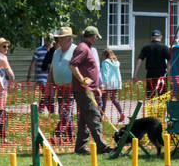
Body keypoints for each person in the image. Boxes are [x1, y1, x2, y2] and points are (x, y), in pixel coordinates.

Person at [69, 26, 111, 155]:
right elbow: (72, 65)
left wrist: (96, 87)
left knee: (85, 119)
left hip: (88, 89)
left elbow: (90, 69)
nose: (96, 39)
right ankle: (102, 146)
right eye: (96, 37)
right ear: (92, 37)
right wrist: (82, 80)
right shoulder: (82, 48)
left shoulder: (86, 48)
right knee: (94, 116)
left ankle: (80, 147)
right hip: (83, 90)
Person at [49, 27, 76, 142]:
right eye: (58, 38)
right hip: (59, 87)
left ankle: (57, 135)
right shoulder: (56, 51)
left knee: (65, 111)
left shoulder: (75, 50)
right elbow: (52, 69)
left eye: (61, 38)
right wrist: (48, 84)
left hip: (70, 87)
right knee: (64, 111)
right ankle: (71, 136)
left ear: (68, 38)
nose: (59, 41)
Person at [135, 29, 172, 96]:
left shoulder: (146, 47)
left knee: (150, 93)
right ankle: (162, 106)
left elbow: (139, 60)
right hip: (162, 73)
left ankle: (150, 106)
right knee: (162, 94)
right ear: (161, 37)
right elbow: (169, 61)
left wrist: (135, 74)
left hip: (150, 73)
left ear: (152, 37)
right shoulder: (164, 47)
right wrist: (170, 74)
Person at [27, 35, 51, 112]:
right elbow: (32, 63)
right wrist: (29, 76)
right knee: (45, 91)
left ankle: (45, 108)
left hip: (50, 76)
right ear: (45, 40)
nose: (49, 42)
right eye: (47, 39)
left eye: (51, 40)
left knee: (49, 94)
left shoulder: (54, 51)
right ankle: (42, 108)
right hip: (41, 76)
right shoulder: (38, 50)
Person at [100, 49, 125, 121]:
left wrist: (104, 84)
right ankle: (121, 113)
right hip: (116, 83)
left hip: (107, 84)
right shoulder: (116, 63)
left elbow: (105, 74)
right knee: (114, 99)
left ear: (105, 55)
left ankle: (101, 116)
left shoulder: (105, 62)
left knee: (103, 100)